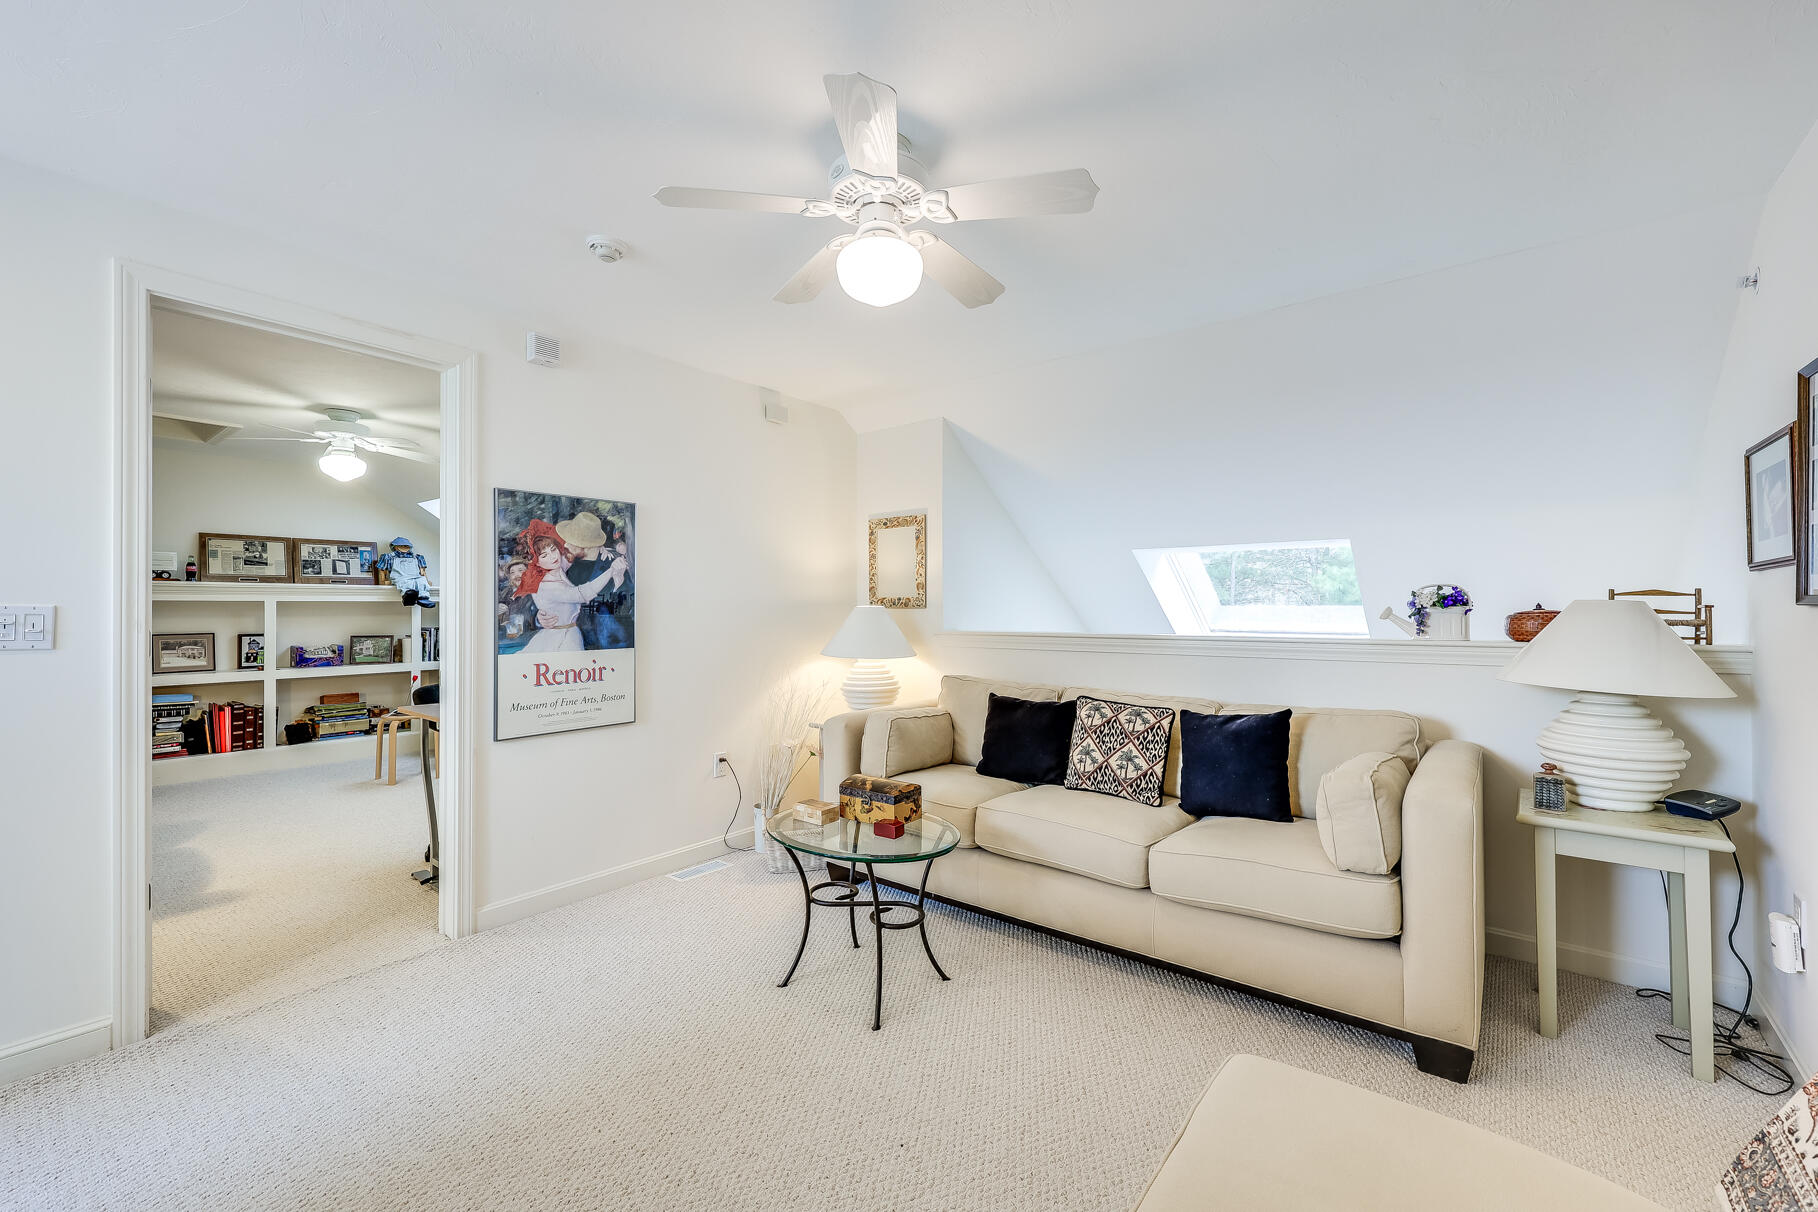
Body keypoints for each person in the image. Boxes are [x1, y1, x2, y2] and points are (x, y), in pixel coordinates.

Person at [514, 520, 625, 654]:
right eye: (544, 555)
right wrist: (538, 618)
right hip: (562, 638)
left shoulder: (559, 566)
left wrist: (606, 548)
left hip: (611, 644)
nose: (554, 556)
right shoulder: (547, 580)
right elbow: (582, 593)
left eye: (554, 549)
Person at [554, 511, 631, 649]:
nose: (565, 544)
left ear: (587, 545)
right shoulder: (566, 565)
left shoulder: (615, 564)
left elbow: (630, 606)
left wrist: (618, 584)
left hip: (611, 647)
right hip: (574, 646)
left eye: (572, 540)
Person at [376, 537, 436, 607]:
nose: (404, 547)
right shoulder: (389, 557)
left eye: (406, 546)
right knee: (405, 583)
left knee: (421, 581)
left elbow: (422, 571)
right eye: (401, 545)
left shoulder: (416, 557)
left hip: (416, 576)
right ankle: (408, 597)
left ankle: (424, 598)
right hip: (400, 576)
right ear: (394, 546)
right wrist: (383, 580)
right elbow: (382, 570)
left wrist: (426, 580)